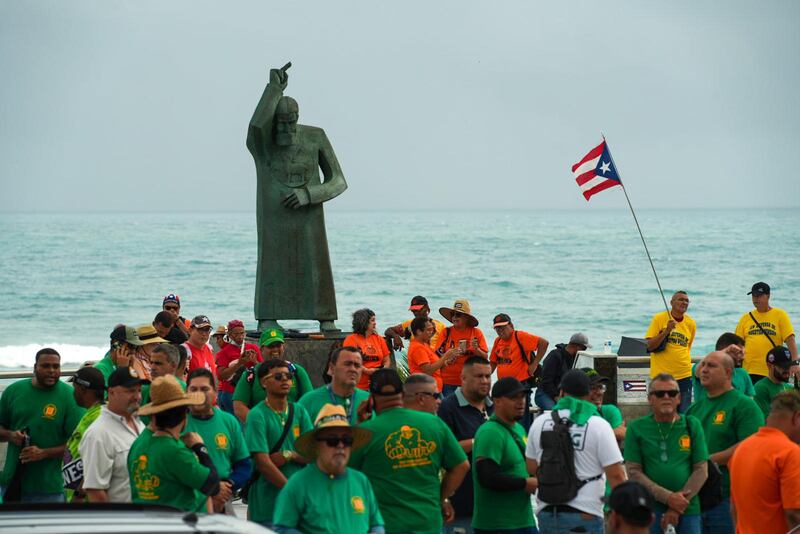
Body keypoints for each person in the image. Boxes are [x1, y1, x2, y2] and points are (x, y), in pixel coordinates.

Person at [248, 63, 347, 332]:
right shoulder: (264, 145)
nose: (285, 129)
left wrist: (309, 194)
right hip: (274, 220)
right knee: (272, 265)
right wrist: (274, 90)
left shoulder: (315, 137)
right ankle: (269, 315)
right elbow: (256, 126)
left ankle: (325, 316)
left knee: (316, 263)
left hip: (309, 218)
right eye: (280, 123)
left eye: (290, 122)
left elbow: (339, 181)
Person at [350, 369, 470, 534]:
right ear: (402, 394)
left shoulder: (366, 432)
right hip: (429, 523)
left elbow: (346, 473)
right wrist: (440, 498)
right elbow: (461, 465)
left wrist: (358, 424)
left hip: (387, 525)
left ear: (371, 399)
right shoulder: (434, 424)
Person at [526, 369, 627, 533]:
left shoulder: (539, 423)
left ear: (561, 392)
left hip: (547, 514)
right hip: (585, 515)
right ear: (588, 394)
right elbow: (617, 476)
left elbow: (531, 467)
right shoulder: (598, 425)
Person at [273, 404, 384, 534]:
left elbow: (376, 524)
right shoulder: (298, 484)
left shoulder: (361, 480)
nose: (341, 445)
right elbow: (283, 528)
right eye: (332, 440)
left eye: (347, 440)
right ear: (317, 446)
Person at [685, 351, 763, 533]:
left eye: (711, 366)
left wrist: (706, 461)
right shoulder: (693, 410)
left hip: (728, 497)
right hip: (694, 497)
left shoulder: (744, 405)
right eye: (702, 365)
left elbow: (751, 446)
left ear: (728, 373)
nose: (704, 370)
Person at [624, 373, 708, 534]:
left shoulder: (692, 424)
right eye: (660, 394)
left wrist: (676, 507)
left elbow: (701, 469)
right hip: (650, 510)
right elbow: (633, 472)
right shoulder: (636, 427)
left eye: (672, 393)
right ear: (650, 399)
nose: (666, 397)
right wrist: (668, 498)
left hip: (688, 510)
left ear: (679, 398)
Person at [0, 348, 83, 503]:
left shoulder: (70, 396)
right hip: (11, 482)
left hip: (50, 488)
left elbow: (78, 446)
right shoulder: (13, 391)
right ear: (35, 367)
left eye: (56, 366)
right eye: (45, 366)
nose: (51, 371)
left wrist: (43, 453)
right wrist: (11, 435)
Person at [128, 375, 220, 512]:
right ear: (184, 415)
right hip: (177, 524)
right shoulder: (175, 451)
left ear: (155, 415)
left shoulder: (138, 444)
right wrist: (200, 447)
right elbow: (212, 485)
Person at [244, 359, 313, 527]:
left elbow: (313, 454)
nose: (285, 380)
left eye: (288, 376)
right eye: (278, 376)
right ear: (263, 382)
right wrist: (291, 491)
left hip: (299, 505)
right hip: (267, 505)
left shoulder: (299, 411)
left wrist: (289, 454)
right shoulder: (257, 415)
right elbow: (263, 462)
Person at [472, 377, 538, 534]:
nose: (521, 402)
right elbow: (487, 477)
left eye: (522, 396)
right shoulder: (491, 432)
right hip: (498, 525)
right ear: (497, 401)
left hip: (523, 520)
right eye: (514, 398)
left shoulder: (519, 429)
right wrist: (525, 484)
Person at [729, 390, 800, 534]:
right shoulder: (790, 452)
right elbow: (794, 514)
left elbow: (734, 508)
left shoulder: (742, 449)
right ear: (797, 417)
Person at [438, 356, 494, 534]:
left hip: (494, 506)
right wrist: (479, 442)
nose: (485, 381)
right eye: (479, 376)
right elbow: (443, 452)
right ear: (463, 378)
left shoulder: (494, 406)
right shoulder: (448, 408)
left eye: (488, 376)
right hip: (461, 505)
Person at [185, 368, 252, 514]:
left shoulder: (228, 421)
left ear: (215, 392)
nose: (198, 394)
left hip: (223, 498)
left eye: (204, 389)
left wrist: (226, 487)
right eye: (193, 389)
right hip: (188, 499)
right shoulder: (179, 424)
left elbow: (244, 464)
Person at [79, 367, 147, 503]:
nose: (137, 397)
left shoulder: (140, 424)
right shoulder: (98, 435)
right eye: (130, 391)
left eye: (139, 390)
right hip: (122, 521)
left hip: (144, 517)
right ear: (111, 392)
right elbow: (95, 492)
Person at [232, 328, 312, 424]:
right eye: (270, 346)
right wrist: (259, 423)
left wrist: (295, 422)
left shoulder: (297, 371)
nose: (275, 349)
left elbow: (309, 401)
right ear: (261, 349)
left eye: (278, 345)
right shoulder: (251, 374)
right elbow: (239, 406)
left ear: (283, 347)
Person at [491, 313, 549, 430]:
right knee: (505, 418)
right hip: (504, 387)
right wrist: (485, 376)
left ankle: (523, 444)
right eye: (497, 328)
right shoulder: (498, 341)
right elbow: (493, 362)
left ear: (511, 326)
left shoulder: (520, 336)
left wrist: (534, 364)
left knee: (521, 419)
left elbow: (543, 343)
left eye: (503, 327)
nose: (500, 331)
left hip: (520, 385)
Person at [735, 281, 797, 383]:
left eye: (759, 295)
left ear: (768, 296)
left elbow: (790, 340)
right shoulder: (746, 318)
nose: (755, 298)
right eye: (753, 295)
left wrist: (795, 363)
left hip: (772, 371)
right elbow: (737, 344)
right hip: (749, 371)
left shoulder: (780, 315)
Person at [646, 291, 697, 413]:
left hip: (684, 375)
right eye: (680, 299)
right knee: (660, 412)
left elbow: (687, 348)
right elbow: (650, 346)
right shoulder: (659, 318)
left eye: (686, 300)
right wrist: (666, 331)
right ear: (671, 302)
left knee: (683, 415)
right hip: (661, 375)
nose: (684, 302)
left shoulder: (691, 323)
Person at [63, 367, 107, 501]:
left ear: (82, 389)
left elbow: (96, 460)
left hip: (86, 501)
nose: (73, 392)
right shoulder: (92, 412)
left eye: (74, 387)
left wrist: (79, 494)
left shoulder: (98, 418)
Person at [299, 346, 371, 423]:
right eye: (347, 364)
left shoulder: (368, 400)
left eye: (357, 365)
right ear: (332, 368)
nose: (353, 369)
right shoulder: (310, 401)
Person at [437, 299, 489, 397]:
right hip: (448, 382)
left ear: (466, 317)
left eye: (458, 315)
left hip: (470, 381)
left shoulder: (476, 333)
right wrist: (447, 358)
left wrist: (476, 349)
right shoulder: (446, 332)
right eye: (453, 314)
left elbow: (485, 357)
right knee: (450, 410)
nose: (454, 317)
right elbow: (436, 356)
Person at [214, 319, 261, 415]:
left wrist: (254, 361)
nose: (240, 337)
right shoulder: (224, 352)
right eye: (236, 334)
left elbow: (263, 370)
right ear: (230, 335)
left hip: (249, 391)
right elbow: (221, 376)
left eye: (242, 333)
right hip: (230, 393)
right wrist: (239, 363)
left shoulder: (253, 348)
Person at [535, 332, 591, 410]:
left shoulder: (575, 358)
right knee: (554, 409)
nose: (584, 351)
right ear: (577, 346)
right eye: (584, 348)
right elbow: (546, 381)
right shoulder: (554, 356)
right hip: (545, 393)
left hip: (564, 394)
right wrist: (556, 397)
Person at [691, 333, 753, 402]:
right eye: (739, 352)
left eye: (743, 353)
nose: (742, 357)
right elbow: (698, 371)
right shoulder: (705, 370)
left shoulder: (743, 373)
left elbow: (750, 400)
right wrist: (724, 352)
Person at [94, 324, 165, 384]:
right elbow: (112, 398)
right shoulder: (101, 369)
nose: (133, 351)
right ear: (117, 344)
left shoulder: (130, 363)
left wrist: (130, 368)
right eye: (131, 346)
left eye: (136, 347)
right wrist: (122, 370)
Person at [344, 308, 392, 391]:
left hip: (378, 383)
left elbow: (386, 359)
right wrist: (366, 370)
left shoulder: (379, 339)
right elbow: (350, 361)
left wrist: (382, 371)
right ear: (364, 322)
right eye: (372, 320)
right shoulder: (351, 339)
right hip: (359, 385)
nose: (375, 323)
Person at [139, 344, 186, 425]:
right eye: (151, 362)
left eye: (158, 363)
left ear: (173, 366)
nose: (152, 367)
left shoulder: (185, 391)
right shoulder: (143, 390)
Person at [407, 317, 454, 391]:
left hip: (433, 388)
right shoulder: (418, 348)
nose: (432, 332)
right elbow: (428, 371)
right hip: (426, 389)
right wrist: (445, 356)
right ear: (419, 332)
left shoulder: (424, 344)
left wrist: (446, 362)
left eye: (432, 329)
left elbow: (434, 365)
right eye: (429, 330)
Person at [584, 368, 626, 445]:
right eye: (593, 388)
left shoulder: (610, 410)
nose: (599, 393)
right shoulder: (570, 414)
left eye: (600, 387)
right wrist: (612, 433)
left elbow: (620, 436)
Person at [753, 345, 797, 418]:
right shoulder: (761, 388)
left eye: (788, 366)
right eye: (783, 367)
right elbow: (766, 419)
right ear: (769, 365)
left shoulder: (789, 387)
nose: (787, 370)